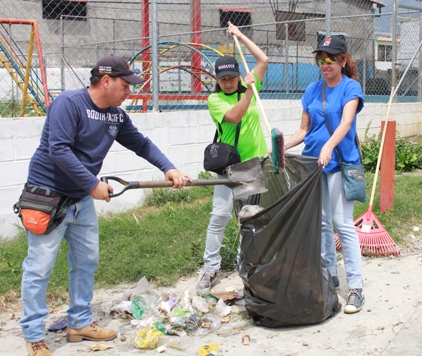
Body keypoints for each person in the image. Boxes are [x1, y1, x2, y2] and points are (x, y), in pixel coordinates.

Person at [19, 55, 191, 356]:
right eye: (125, 86)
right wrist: (92, 184)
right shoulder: (68, 104)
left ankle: (79, 324)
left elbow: (141, 144)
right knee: (39, 267)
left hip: (80, 199)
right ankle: (34, 336)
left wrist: (169, 168)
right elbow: (58, 150)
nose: (130, 93)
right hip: (48, 197)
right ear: (106, 81)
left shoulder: (116, 116)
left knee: (87, 261)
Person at [284, 36, 365, 314]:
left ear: (343, 60)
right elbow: (303, 131)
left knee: (342, 223)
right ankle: (329, 277)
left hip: (341, 163)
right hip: (313, 164)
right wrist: (281, 147)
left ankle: (355, 288)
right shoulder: (311, 90)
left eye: (331, 59)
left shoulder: (351, 88)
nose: (325, 64)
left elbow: (346, 123)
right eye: (321, 58)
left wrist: (330, 146)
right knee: (320, 223)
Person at [196, 23, 268, 295]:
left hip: (252, 164)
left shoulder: (248, 83)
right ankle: (210, 268)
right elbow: (236, 115)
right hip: (228, 167)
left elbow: (263, 59)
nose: (228, 82)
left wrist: (240, 36)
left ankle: (245, 264)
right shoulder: (214, 99)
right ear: (217, 79)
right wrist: (249, 89)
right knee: (220, 215)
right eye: (223, 78)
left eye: (232, 77)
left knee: (248, 217)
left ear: (238, 75)